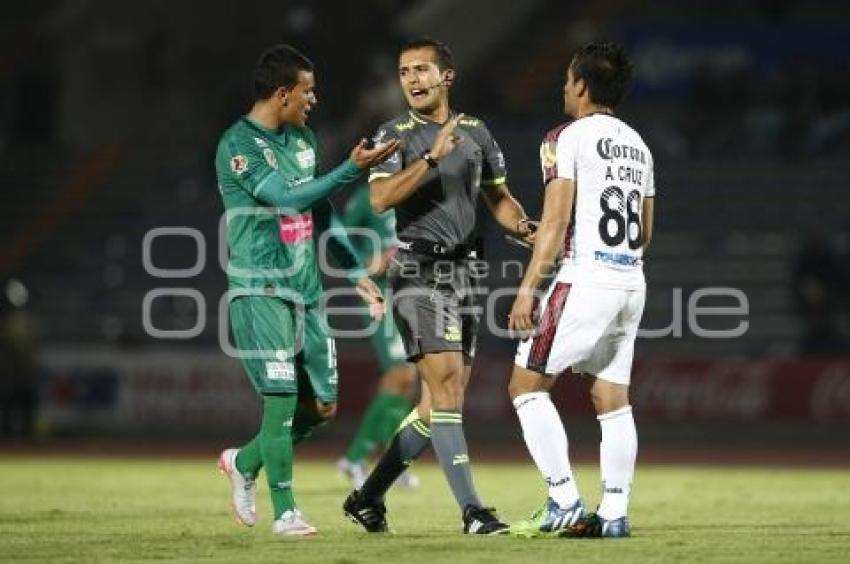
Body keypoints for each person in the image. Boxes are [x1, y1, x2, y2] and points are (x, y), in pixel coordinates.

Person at [342, 37, 535, 535]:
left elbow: (499, 198)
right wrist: (429, 159)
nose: (412, 79)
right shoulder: (394, 133)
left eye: (422, 70)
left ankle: (368, 497)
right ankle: (473, 512)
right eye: (405, 71)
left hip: (467, 274)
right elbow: (381, 198)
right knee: (446, 391)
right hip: (418, 272)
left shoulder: (476, 131)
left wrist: (526, 229)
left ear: (446, 77)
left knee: (435, 405)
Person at [213, 44, 399, 537]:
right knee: (280, 396)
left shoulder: (303, 139)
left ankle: (244, 461)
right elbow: (287, 196)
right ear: (282, 93)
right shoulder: (238, 146)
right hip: (260, 289)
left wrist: (356, 272)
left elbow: (318, 213)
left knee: (321, 408)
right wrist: (351, 169)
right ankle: (287, 512)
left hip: (306, 291)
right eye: (307, 91)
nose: (314, 100)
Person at [507, 42, 654, 539]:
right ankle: (613, 513)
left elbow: (554, 221)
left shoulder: (564, 137)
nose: (563, 87)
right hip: (630, 280)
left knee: (525, 387)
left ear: (583, 86)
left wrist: (529, 290)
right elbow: (646, 230)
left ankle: (564, 501)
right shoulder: (640, 146)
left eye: (569, 79)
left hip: (584, 277)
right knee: (611, 395)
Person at [336, 183, 419, 489]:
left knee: (407, 380)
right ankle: (355, 458)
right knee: (399, 374)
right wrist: (370, 262)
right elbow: (337, 235)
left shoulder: (418, 189)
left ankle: (389, 462)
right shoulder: (369, 196)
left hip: (414, 293)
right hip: (383, 294)